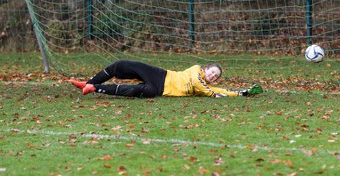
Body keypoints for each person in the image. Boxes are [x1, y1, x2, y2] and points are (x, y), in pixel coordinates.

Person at [69, 60, 263, 98]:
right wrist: (212, 93)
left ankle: (94, 89)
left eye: (216, 77)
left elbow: (221, 91)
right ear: (205, 68)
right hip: (160, 75)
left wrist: (240, 93)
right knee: (121, 65)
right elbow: (202, 85)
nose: (213, 76)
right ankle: (89, 82)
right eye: (212, 72)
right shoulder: (196, 70)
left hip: (159, 91)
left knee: (134, 91)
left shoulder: (207, 87)